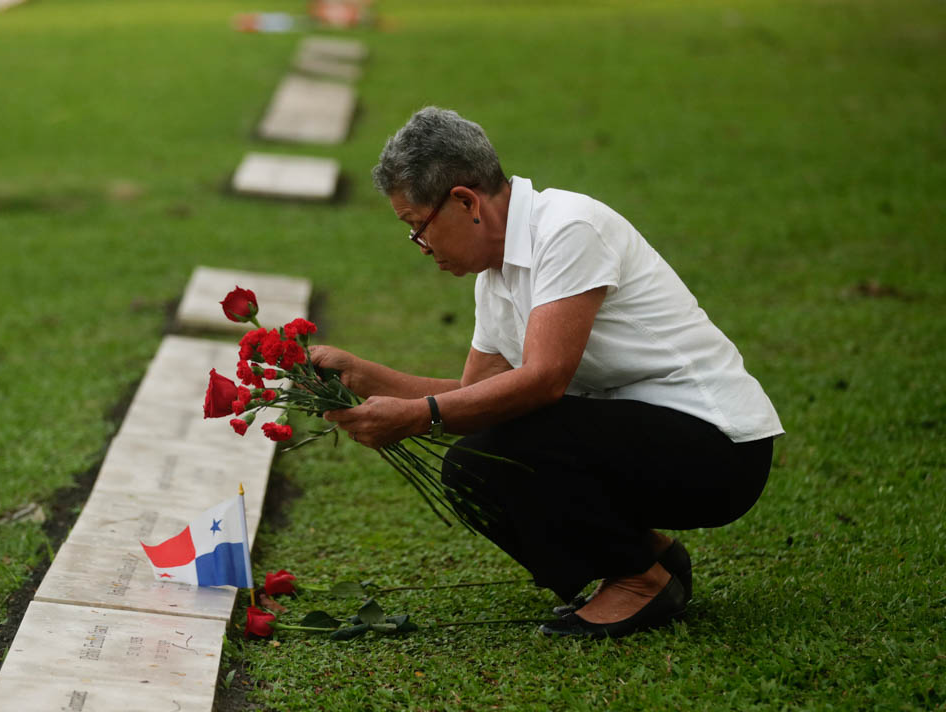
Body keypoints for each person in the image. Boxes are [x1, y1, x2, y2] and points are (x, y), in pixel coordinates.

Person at [313, 107, 783, 638]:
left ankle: (637, 581)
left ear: (465, 201)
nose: (421, 248)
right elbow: (478, 396)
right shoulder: (495, 275)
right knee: (482, 453)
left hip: (721, 452)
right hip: (651, 440)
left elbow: (543, 380)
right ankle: (652, 559)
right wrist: (364, 376)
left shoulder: (567, 228)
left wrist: (418, 417)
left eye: (416, 228)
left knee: (481, 461)